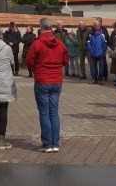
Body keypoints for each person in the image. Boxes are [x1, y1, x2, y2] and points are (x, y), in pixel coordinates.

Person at [25, 18, 69, 153]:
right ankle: (54, 143)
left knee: (44, 113)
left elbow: (29, 61)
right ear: (52, 27)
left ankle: (47, 144)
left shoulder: (37, 43)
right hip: (56, 81)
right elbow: (65, 61)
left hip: (42, 80)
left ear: (40, 27)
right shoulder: (60, 44)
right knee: (54, 113)